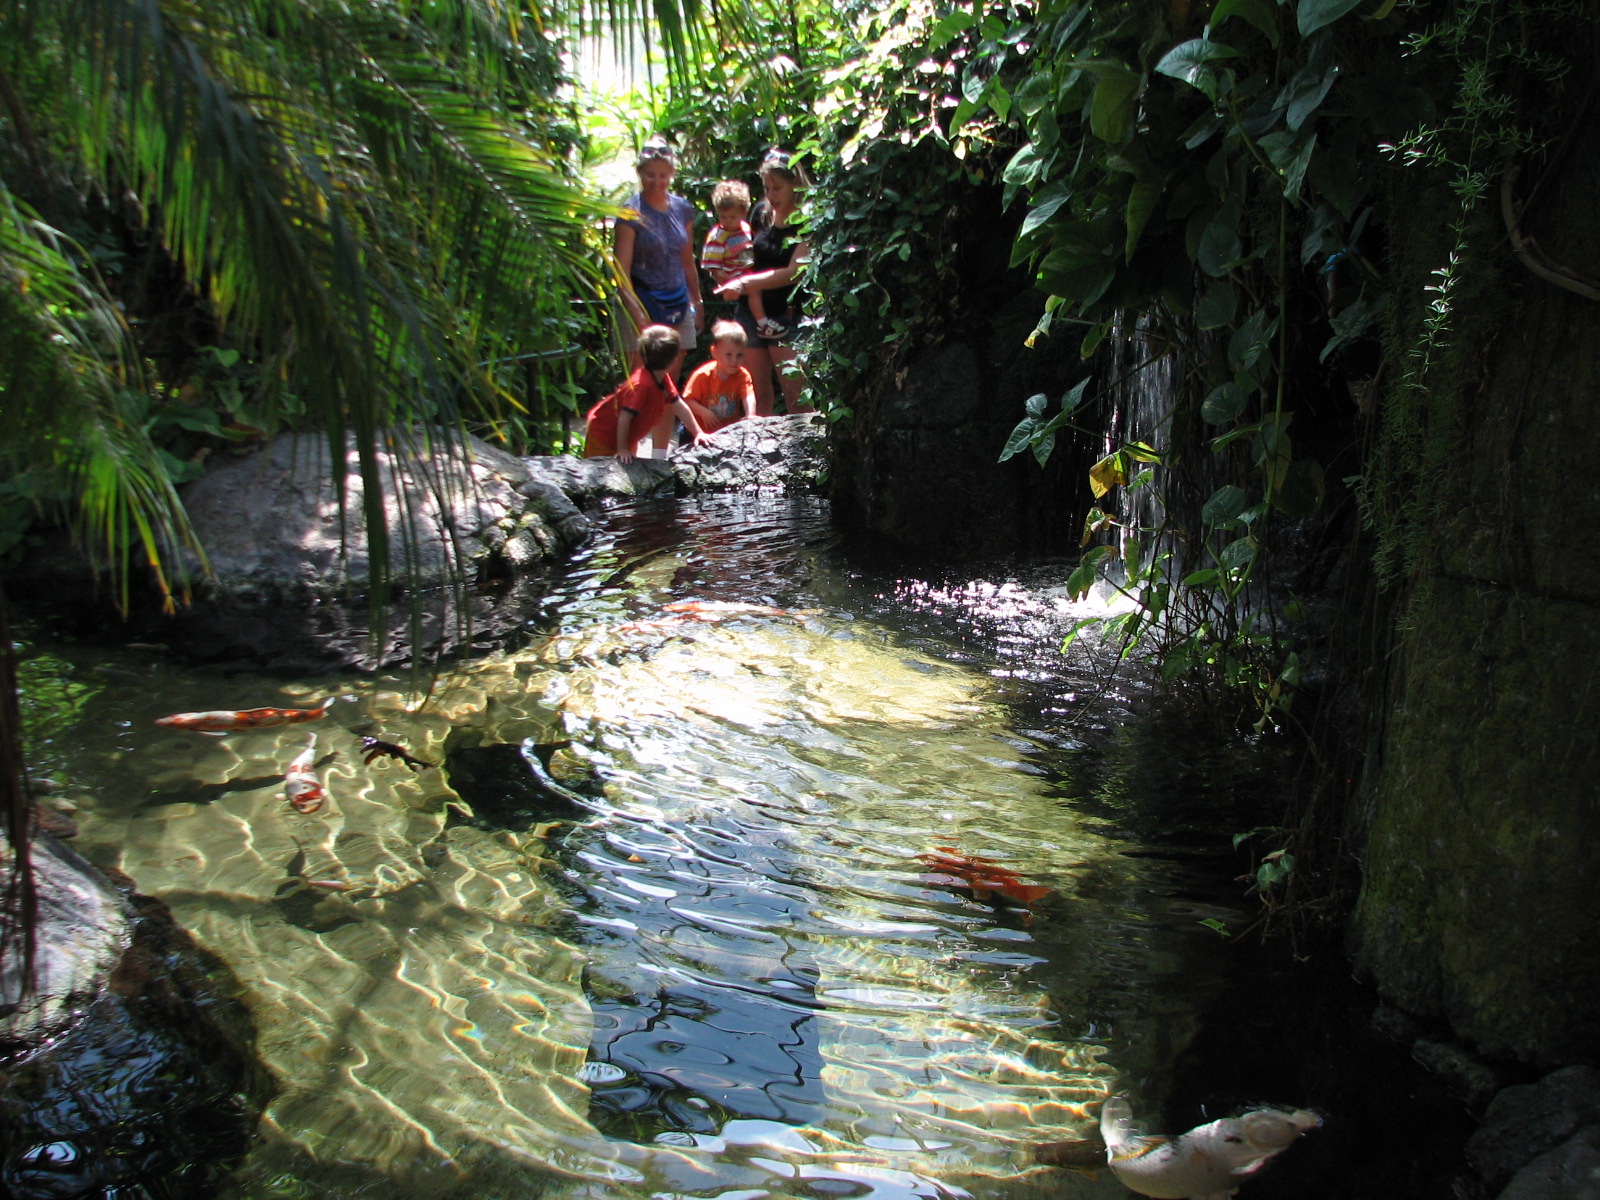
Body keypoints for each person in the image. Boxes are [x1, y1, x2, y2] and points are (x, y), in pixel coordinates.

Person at [615, 139, 703, 453]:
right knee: (639, 385)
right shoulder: (631, 211)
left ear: (672, 174)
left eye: (662, 174)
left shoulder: (682, 208)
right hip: (642, 302)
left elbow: (687, 258)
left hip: (677, 303)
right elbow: (620, 271)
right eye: (650, 174)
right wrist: (637, 314)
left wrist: (697, 300)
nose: (656, 181)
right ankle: (630, 453)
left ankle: (661, 455)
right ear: (641, 174)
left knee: (668, 385)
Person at [716, 149, 812, 416]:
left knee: (798, 400)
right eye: (767, 188)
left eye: (778, 188)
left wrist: (745, 284)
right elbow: (744, 252)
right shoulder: (760, 213)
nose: (771, 195)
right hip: (751, 314)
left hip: (788, 316)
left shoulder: (807, 221)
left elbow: (795, 272)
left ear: (794, 184)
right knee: (756, 398)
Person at [583, 325, 711, 462]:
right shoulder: (641, 385)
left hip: (627, 439)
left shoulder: (662, 378)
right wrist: (623, 448)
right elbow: (624, 417)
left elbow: (678, 405)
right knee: (601, 470)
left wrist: (698, 433)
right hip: (604, 436)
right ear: (674, 359)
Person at [702, 180, 778, 337]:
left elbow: (746, 248)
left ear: (743, 213)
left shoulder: (744, 227)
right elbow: (712, 261)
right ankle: (762, 322)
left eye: (732, 217)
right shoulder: (719, 235)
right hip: (733, 273)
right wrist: (720, 277)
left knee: (758, 283)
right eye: (723, 217)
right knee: (754, 289)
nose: (727, 221)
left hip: (745, 267)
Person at [681, 321, 757, 434]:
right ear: (714, 352)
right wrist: (703, 412)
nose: (734, 361)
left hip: (726, 431)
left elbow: (748, 396)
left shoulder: (742, 375)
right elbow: (687, 400)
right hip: (697, 431)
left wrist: (750, 414)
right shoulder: (703, 375)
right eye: (729, 355)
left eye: (739, 355)